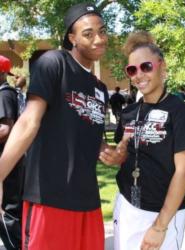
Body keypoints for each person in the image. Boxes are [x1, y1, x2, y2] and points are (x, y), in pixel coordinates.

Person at [0, 3, 113, 249]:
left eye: (102, 31)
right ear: (71, 37)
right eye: (88, 33)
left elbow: (86, 135)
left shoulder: (100, 89)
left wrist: (108, 151)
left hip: (89, 202)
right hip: (49, 198)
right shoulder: (54, 62)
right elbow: (29, 120)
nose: (98, 39)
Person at [100, 31, 185, 250]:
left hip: (164, 212)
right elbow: (124, 152)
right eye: (132, 70)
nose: (139, 75)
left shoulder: (181, 112)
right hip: (127, 205)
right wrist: (118, 155)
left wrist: (160, 226)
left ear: (162, 67)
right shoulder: (129, 112)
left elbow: (184, 172)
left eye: (146, 67)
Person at [0, 55, 24, 250]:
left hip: (9, 162)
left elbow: (5, 129)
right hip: (11, 161)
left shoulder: (4, 94)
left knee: (9, 212)